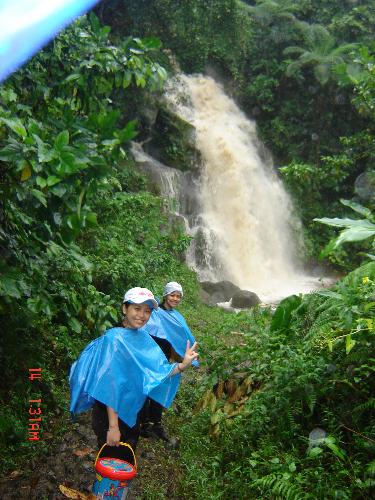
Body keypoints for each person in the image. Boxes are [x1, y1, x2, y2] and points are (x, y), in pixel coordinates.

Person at [69, 287, 198, 461]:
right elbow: (110, 385)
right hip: (110, 414)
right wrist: (113, 427)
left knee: (126, 458)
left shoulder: (143, 337)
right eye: (137, 309)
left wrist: (182, 365)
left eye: (147, 311)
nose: (142, 315)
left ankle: (118, 488)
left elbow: (157, 372)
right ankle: (105, 489)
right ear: (125, 308)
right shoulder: (114, 340)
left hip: (132, 410)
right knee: (111, 463)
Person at [140, 281, 198, 441]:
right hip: (151, 354)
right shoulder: (155, 312)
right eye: (173, 295)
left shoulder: (176, 316)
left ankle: (156, 424)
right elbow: (145, 330)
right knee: (147, 387)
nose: (175, 298)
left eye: (178, 296)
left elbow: (182, 336)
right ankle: (144, 425)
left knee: (162, 386)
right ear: (166, 295)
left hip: (166, 356)